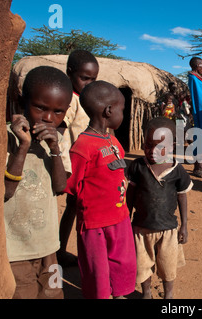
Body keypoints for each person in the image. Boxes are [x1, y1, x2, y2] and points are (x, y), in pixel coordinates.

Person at [4, 66, 73, 299]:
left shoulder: (58, 142)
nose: (48, 118)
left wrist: (54, 149)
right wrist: (23, 147)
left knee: (53, 293)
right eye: (40, 107)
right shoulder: (6, 139)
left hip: (49, 248)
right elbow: (5, 191)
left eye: (58, 112)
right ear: (23, 101)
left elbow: (60, 187)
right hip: (15, 251)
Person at [64, 81, 136, 299]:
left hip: (120, 217)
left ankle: (119, 293)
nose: (123, 114)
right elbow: (71, 186)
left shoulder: (112, 139)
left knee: (122, 261)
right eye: (122, 109)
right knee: (98, 269)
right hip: (95, 223)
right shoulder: (83, 147)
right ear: (108, 111)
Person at [127, 117, 193, 299]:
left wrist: (184, 226)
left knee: (168, 265)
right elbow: (130, 196)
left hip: (168, 229)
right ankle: (146, 292)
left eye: (160, 146)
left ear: (172, 146)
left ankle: (168, 294)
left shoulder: (177, 170)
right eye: (149, 145)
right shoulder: (138, 167)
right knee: (143, 264)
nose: (153, 151)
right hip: (141, 228)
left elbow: (182, 196)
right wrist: (126, 219)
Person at [57, 50, 99, 267]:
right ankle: (61, 252)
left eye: (93, 79)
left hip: (84, 167)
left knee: (74, 210)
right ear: (70, 73)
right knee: (76, 210)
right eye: (85, 78)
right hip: (72, 168)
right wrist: (63, 171)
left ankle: (61, 250)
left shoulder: (86, 99)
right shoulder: (70, 100)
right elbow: (62, 133)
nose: (89, 83)